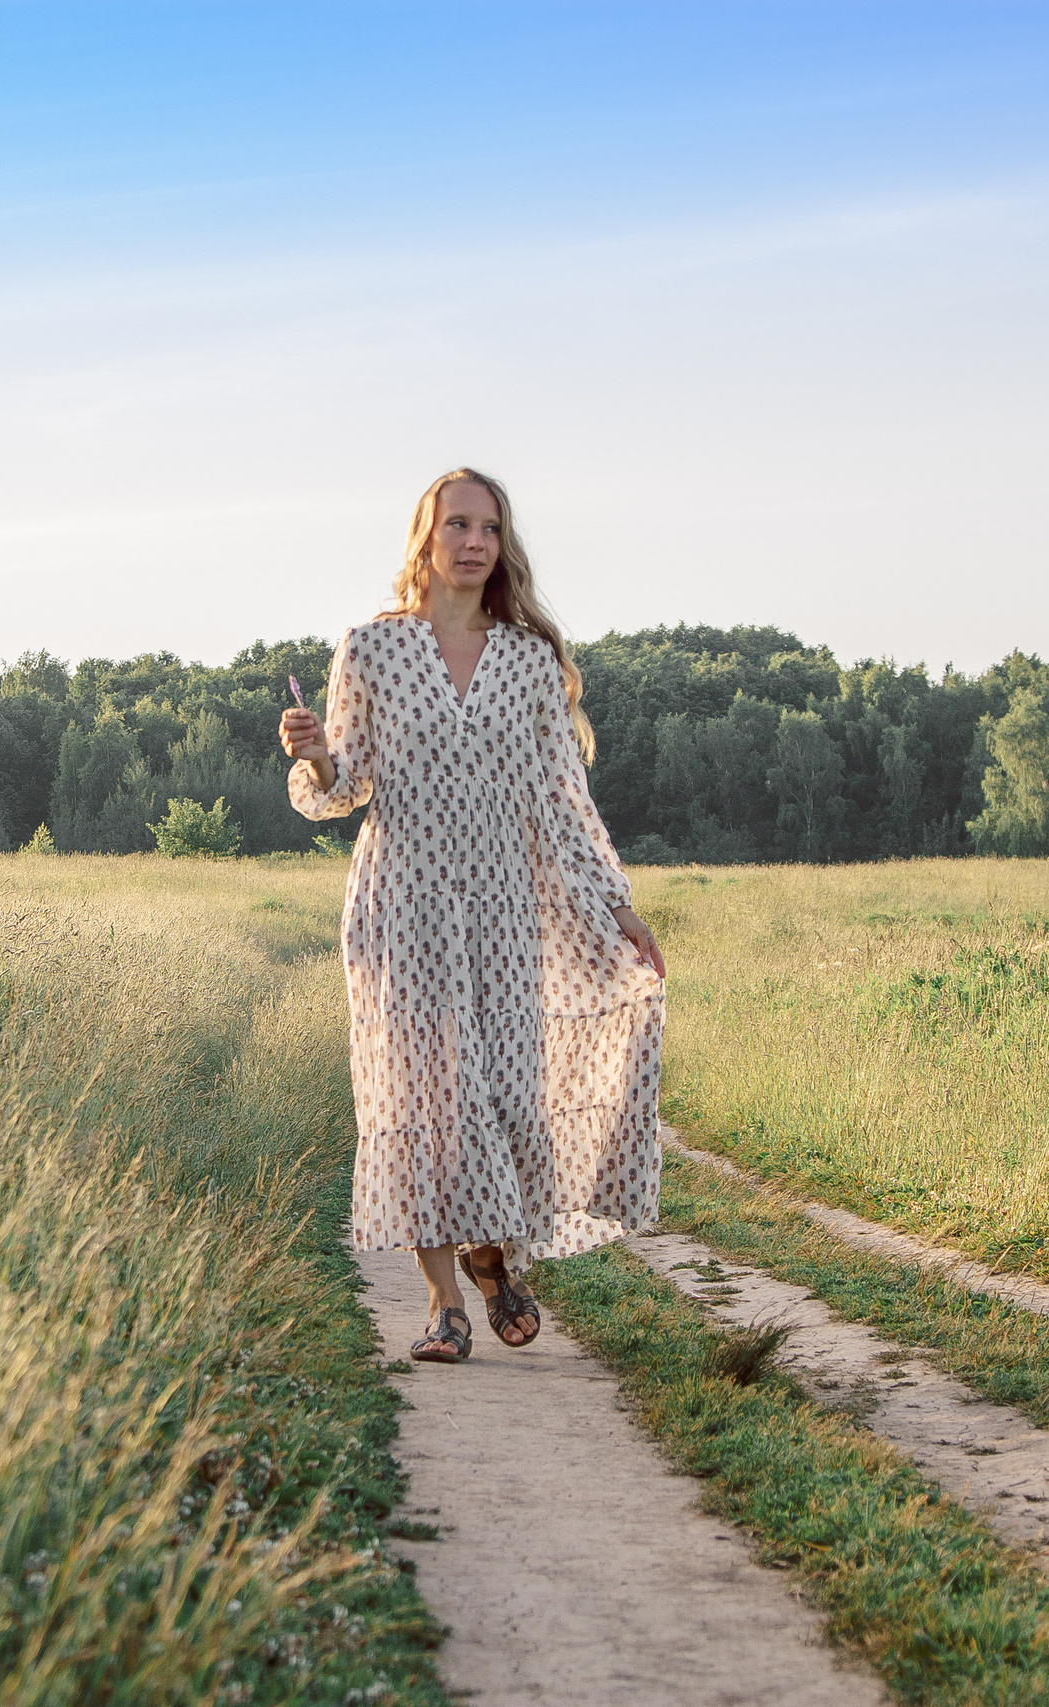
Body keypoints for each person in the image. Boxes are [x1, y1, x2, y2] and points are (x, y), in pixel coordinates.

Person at [281, 468, 667, 1364]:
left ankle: (494, 1255)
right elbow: (344, 789)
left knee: (497, 1094)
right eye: (456, 524)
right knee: (420, 1103)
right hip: (401, 904)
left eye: (488, 528)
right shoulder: (369, 652)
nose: (473, 542)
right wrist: (315, 760)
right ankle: (443, 1304)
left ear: (501, 544)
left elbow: (562, 798)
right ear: (426, 537)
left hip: (501, 906)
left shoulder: (529, 662)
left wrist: (617, 907)